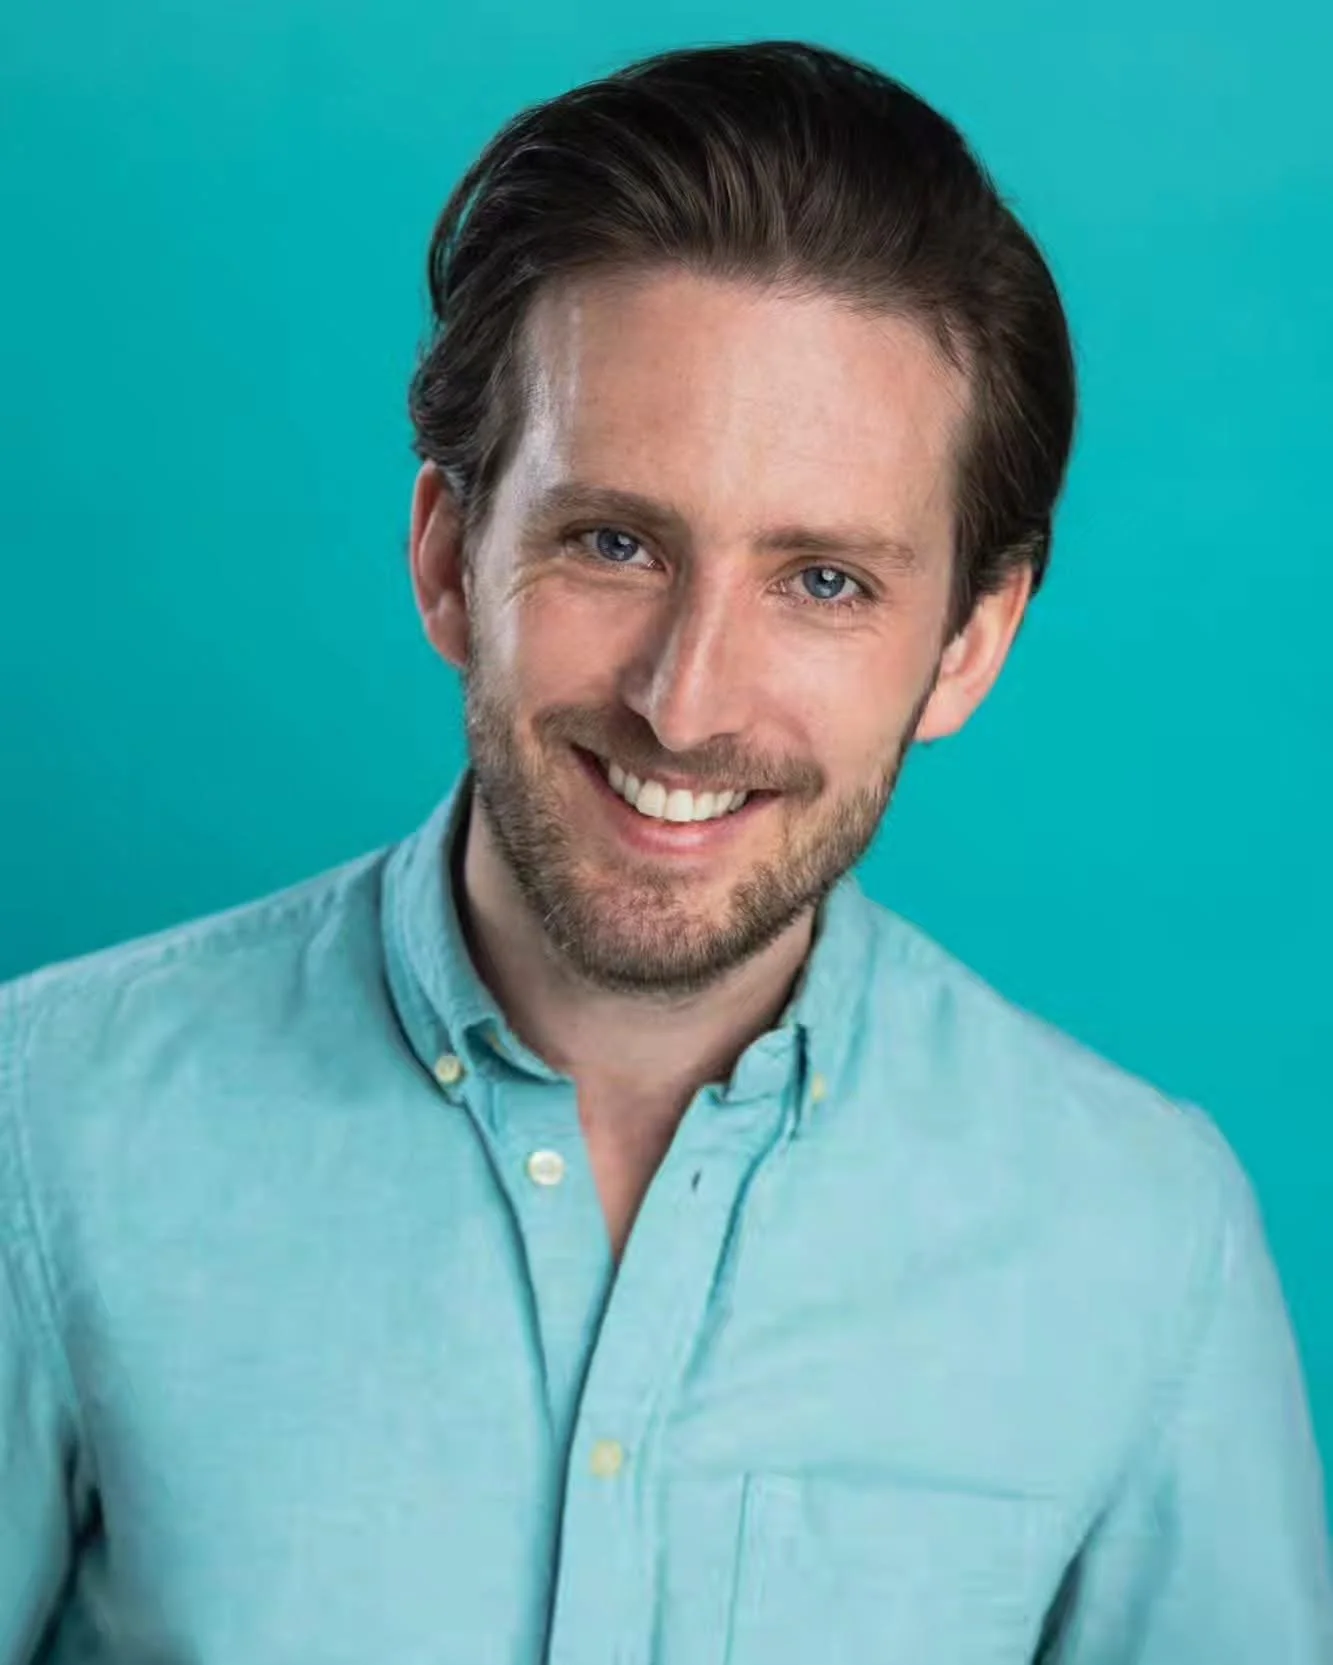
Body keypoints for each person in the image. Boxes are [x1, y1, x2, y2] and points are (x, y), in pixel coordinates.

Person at [1, 37, 1329, 1665]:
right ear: (446, 556)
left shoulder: (1145, 1239)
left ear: (972, 644)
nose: (684, 704)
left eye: (825, 580)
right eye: (613, 542)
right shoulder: (39, 1136)